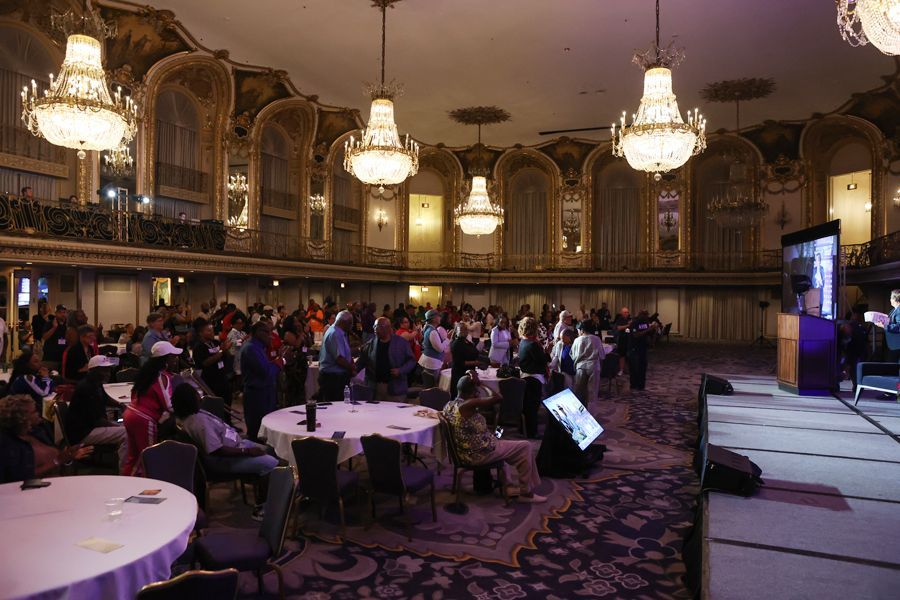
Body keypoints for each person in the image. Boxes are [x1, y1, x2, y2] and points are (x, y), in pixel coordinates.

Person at [172, 383, 277, 520]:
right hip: (224, 460)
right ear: (189, 400)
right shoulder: (198, 422)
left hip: (236, 445)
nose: (200, 396)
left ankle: (267, 489)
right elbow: (216, 450)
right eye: (196, 394)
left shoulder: (193, 413)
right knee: (270, 463)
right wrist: (247, 451)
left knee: (270, 449)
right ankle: (261, 509)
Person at [442, 374, 546, 503]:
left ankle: (508, 486)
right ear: (473, 391)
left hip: (470, 449)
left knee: (501, 436)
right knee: (526, 446)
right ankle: (526, 492)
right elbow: (498, 397)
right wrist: (481, 384)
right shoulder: (468, 404)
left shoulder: (449, 405)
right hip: (479, 453)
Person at [0, 394, 93, 483]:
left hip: (57, 483)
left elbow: (58, 461)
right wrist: (59, 461)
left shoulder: (38, 432)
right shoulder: (9, 445)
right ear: (21, 418)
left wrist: (68, 457)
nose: (38, 414)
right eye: (34, 412)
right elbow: (20, 479)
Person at [122, 341, 182, 475]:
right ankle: (146, 488)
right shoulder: (162, 376)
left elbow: (134, 394)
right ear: (166, 359)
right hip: (144, 419)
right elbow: (169, 405)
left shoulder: (147, 372)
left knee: (133, 457)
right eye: (173, 357)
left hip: (130, 413)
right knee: (148, 457)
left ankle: (126, 484)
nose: (175, 360)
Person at [65, 355, 128, 472]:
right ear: (93, 370)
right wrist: (118, 425)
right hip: (82, 433)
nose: (108, 373)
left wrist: (121, 405)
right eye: (104, 370)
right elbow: (98, 421)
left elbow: (105, 398)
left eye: (109, 369)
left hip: (90, 427)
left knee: (124, 427)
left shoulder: (95, 383)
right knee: (127, 432)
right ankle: (124, 470)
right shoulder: (86, 388)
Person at [356, 316, 416, 402]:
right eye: (374, 326)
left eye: (377, 326)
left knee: (394, 413)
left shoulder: (401, 343)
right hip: (376, 388)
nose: (374, 329)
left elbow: (412, 361)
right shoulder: (370, 344)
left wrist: (400, 370)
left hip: (395, 388)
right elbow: (361, 362)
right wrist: (352, 370)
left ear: (388, 328)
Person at [242, 321, 283, 441]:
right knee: (258, 430)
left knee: (266, 427)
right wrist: (281, 362)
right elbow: (266, 372)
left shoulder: (257, 347)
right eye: (267, 332)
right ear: (258, 333)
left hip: (264, 392)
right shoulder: (251, 349)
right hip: (257, 394)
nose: (270, 336)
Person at [517, 316, 549, 439]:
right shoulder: (532, 344)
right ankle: (531, 432)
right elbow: (542, 360)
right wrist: (546, 351)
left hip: (526, 376)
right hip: (533, 378)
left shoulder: (524, 341)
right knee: (532, 407)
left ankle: (524, 430)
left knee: (527, 406)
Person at [318, 310, 356, 402]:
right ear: (344, 323)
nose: (352, 326)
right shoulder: (335, 333)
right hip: (333, 379)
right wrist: (351, 368)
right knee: (335, 406)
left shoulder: (338, 332)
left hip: (334, 377)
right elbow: (339, 359)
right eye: (351, 323)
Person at [192, 321, 232, 405]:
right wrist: (221, 351)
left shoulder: (215, 343)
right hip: (210, 381)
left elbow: (224, 356)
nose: (212, 332)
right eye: (209, 330)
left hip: (222, 378)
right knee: (215, 406)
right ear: (201, 333)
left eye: (212, 330)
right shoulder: (199, 347)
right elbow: (205, 362)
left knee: (227, 402)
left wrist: (226, 349)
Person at [8, 350, 55, 416]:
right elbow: (44, 394)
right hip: (20, 414)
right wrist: (46, 377)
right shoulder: (26, 378)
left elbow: (49, 388)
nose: (40, 364)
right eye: (36, 362)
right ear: (27, 365)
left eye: (39, 361)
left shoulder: (33, 375)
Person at [571, 319, 606, 406]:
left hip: (580, 367)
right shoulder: (596, 339)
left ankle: (580, 416)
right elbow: (602, 356)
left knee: (579, 394)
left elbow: (572, 355)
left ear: (582, 330)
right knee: (592, 395)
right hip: (593, 367)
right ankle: (591, 416)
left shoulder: (577, 340)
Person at [280, 315, 308, 406]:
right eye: (295, 321)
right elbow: (296, 346)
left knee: (301, 386)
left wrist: (304, 333)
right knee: (294, 386)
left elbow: (308, 344)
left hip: (301, 361)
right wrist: (300, 336)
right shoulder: (288, 334)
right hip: (294, 364)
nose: (298, 323)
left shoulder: (298, 332)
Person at [450, 321, 480, 398]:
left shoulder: (467, 342)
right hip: (460, 374)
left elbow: (475, 352)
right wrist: (475, 363)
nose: (463, 331)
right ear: (457, 331)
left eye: (465, 329)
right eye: (461, 329)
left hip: (468, 373)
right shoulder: (456, 344)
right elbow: (459, 362)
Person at [628, 310, 657, 391]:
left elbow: (649, 335)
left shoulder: (645, 323)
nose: (647, 318)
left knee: (643, 367)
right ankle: (633, 385)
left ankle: (641, 385)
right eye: (645, 316)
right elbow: (635, 335)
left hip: (643, 348)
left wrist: (654, 330)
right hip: (634, 348)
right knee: (634, 368)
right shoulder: (634, 323)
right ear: (641, 315)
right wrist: (648, 330)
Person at [418, 309, 450, 382]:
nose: (440, 318)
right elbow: (440, 349)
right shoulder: (432, 331)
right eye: (438, 316)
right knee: (431, 385)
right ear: (434, 319)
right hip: (432, 362)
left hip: (430, 361)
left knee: (429, 384)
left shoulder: (430, 329)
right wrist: (447, 339)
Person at [40, 304, 69, 370]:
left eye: (64, 312)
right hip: (50, 357)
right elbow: (44, 337)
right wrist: (54, 327)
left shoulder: (68, 324)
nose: (62, 314)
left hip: (63, 358)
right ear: (56, 313)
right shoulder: (50, 323)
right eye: (60, 312)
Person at [875, 289, 900, 363]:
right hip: (893, 345)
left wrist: (884, 326)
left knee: (893, 368)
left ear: (894, 299)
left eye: (891, 298)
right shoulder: (893, 310)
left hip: (897, 346)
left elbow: (899, 326)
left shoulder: (899, 310)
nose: (890, 299)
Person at [612, 307, 632, 376]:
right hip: (622, 339)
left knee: (629, 355)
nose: (627, 313)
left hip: (629, 339)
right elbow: (619, 328)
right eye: (625, 312)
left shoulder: (630, 319)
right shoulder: (620, 319)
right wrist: (628, 325)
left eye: (627, 312)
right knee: (622, 355)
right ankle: (621, 370)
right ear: (622, 313)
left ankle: (629, 369)